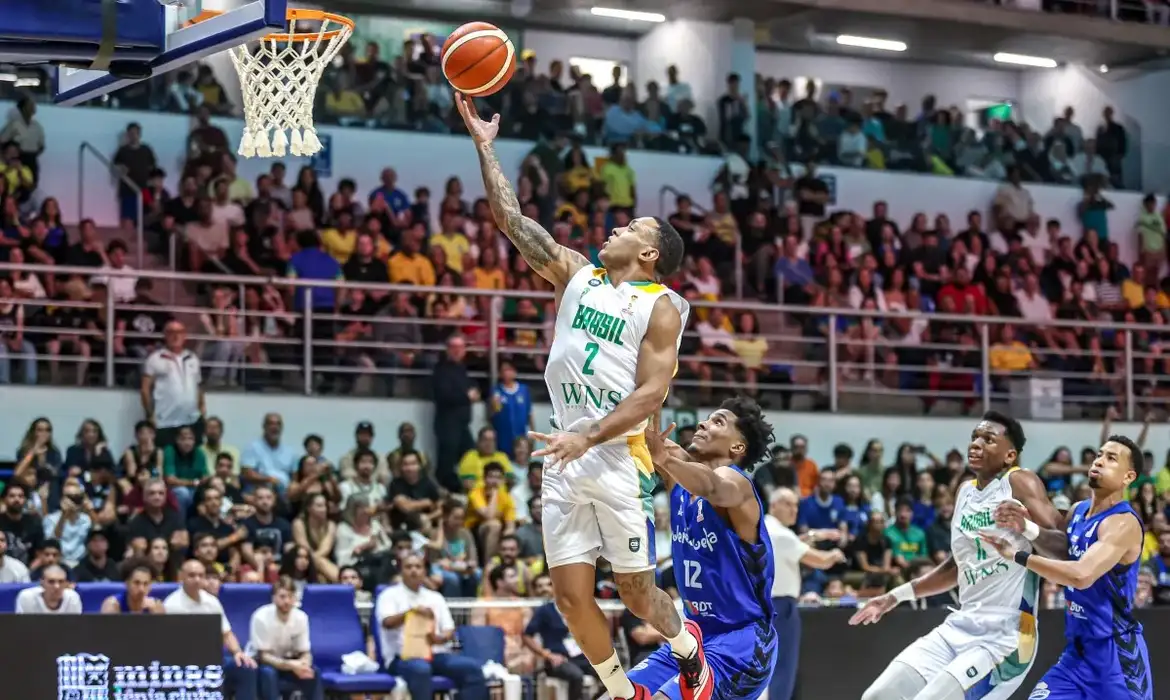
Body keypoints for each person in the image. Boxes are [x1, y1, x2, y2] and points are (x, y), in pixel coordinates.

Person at [454, 94, 704, 700]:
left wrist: (589, 435)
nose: (616, 227)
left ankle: (687, 648)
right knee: (568, 597)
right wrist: (485, 148)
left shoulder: (662, 307)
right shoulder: (576, 273)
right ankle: (623, 692)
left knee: (637, 596)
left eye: (632, 228)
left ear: (649, 254)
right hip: (565, 449)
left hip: (615, 455)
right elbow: (511, 221)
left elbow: (651, 392)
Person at [851, 411, 1063, 700]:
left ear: (1010, 455)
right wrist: (894, 597)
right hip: (960, 625)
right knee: (878, 696)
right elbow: (955, 567)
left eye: (988, 439)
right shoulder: (964, 491)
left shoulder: (1019, 482)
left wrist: (1027, 527)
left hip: (1007, 635)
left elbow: (1063, 548)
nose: (976, 444)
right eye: (975, 437)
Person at [626, 398, 778, 700]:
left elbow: (712, 487)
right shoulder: (679, 476)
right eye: (707, 418)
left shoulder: (737, 483)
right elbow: (643, 429)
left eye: (718, 421)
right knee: (618, 694)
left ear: (737, 447)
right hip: (691, 640)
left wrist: (663, 457)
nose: (702, 423)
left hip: (742, 643)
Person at [983, 435, 1153, 700]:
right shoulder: (1078, 511)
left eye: (1111, 458)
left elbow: (1080, 575)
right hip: (1077, 654)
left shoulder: (1122, 523)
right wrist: (1027, 528)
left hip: (1116, 656)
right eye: (1099, 454)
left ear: (1128, 477)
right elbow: (1065, 551)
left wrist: (1016, 556)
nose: (1099, 461)